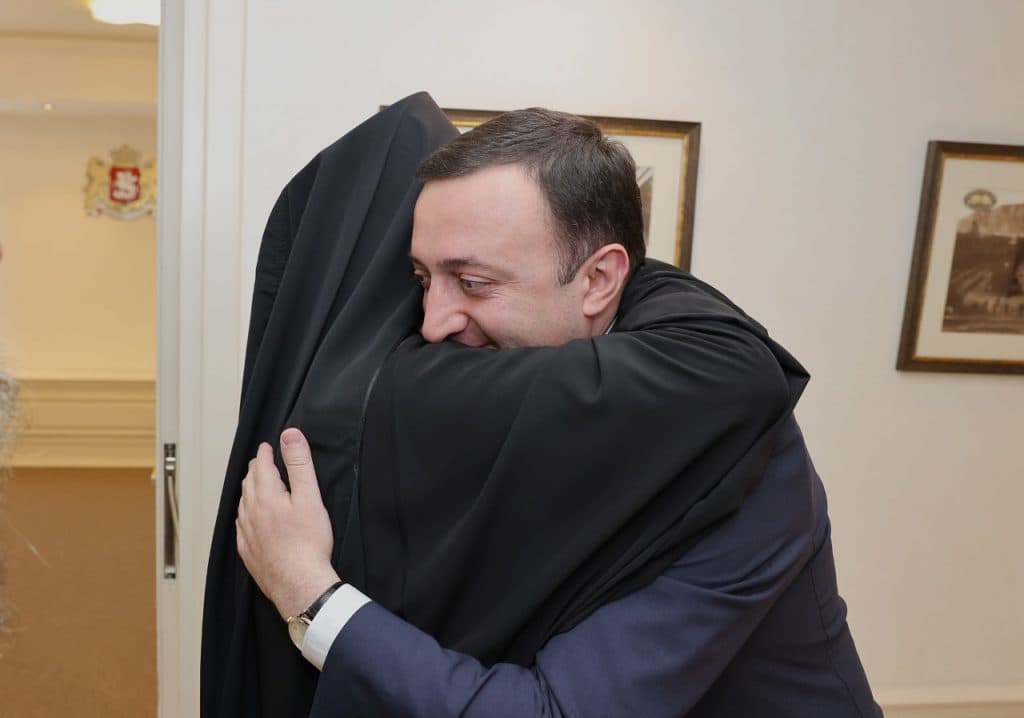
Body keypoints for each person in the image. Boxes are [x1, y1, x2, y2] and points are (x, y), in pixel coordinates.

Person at [231, 100, 881, 716]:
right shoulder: (537, 402)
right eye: (424, 279)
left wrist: (309, 594)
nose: (432, 323)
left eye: (474, 282)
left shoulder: (732, 460)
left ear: (598, 280)